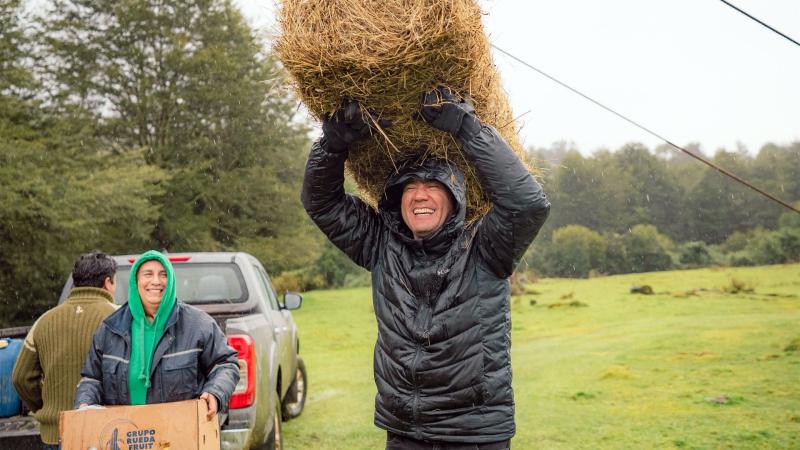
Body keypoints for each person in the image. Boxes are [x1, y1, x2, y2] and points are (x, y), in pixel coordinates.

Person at [301, 87, 550, 449]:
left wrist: (467, 128)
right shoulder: (381, 243)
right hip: (404, 433)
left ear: (454, 198)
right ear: (397, 199)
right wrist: (332, 144)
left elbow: (527, 205)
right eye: (409, 187)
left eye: (434, 185)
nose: (420, 195)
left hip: (474, 435)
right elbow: (321, 202)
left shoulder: (484, 248)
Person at [74, 250, 239, 422]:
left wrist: (214, 392)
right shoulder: (110, 328)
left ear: (171, 281)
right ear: (136, 281)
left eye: (163, 274)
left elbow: (226, 364)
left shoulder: (198, 324)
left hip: (180, 431)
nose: (156, 281)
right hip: (125, 435)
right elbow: (92, 378)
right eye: (148, 274)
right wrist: (85, 402)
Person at [12, 252, 120, 449]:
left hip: (55, 435)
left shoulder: (44, 321)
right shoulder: (119, 318)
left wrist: (46, 408)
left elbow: (21, 377)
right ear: (107, 282)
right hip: (105, 433)